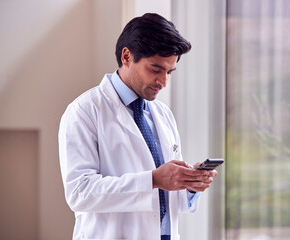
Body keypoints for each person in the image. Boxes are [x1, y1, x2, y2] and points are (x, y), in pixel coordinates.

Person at [58, 13, 218, 240]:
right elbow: (79, 193)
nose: (163, 82)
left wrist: (188, 185)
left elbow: (165, 201)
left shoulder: (162, 115)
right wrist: (153, 179)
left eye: (169, 72)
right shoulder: (84, 111)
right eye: (155, 69)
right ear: (126, 56)